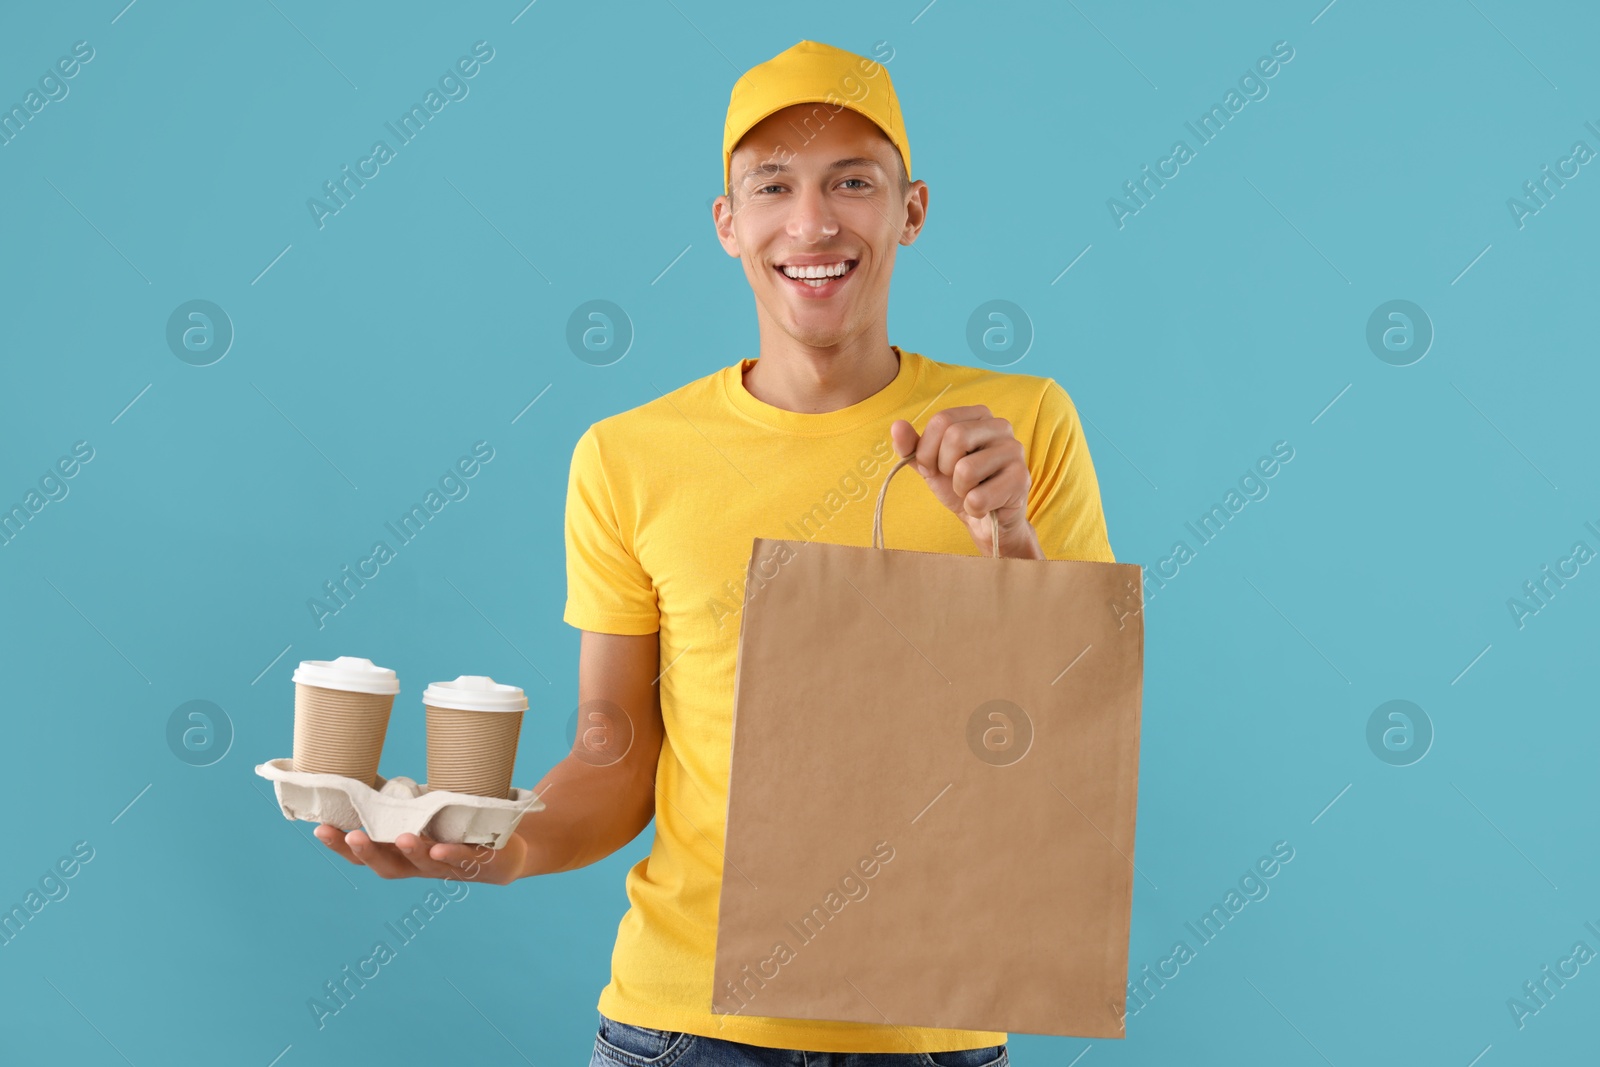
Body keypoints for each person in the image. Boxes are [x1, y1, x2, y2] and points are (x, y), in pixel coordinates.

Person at [314, 38, 1116, 1066]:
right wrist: (496, 849)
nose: (812, 222)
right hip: (684, 1033)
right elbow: (616, 757)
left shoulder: (1017, 426)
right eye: (772, 185)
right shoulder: (629, 456)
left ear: (910, 211)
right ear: (727, 224)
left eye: (852, 182)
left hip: (938, 1031)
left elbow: (1075, 740)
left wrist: (1009, 548)